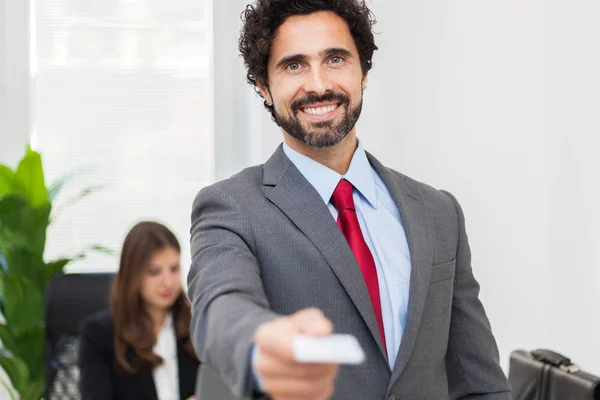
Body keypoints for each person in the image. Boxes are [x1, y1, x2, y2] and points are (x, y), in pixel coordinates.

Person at [188, 0, 512, 399]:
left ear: (364, 72)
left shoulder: (439, 212)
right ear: (263, 86)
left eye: (336, 59)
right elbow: (219, 306)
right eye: (294, 65)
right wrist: (261, 342)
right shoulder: (231, 207)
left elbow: (479, 382)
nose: (319, 84)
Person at [79, 221, 199, 400]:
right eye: (154, 272)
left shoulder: (196, 325)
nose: (168, 282)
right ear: (133, 274)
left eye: (174, 269)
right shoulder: (98, 336)